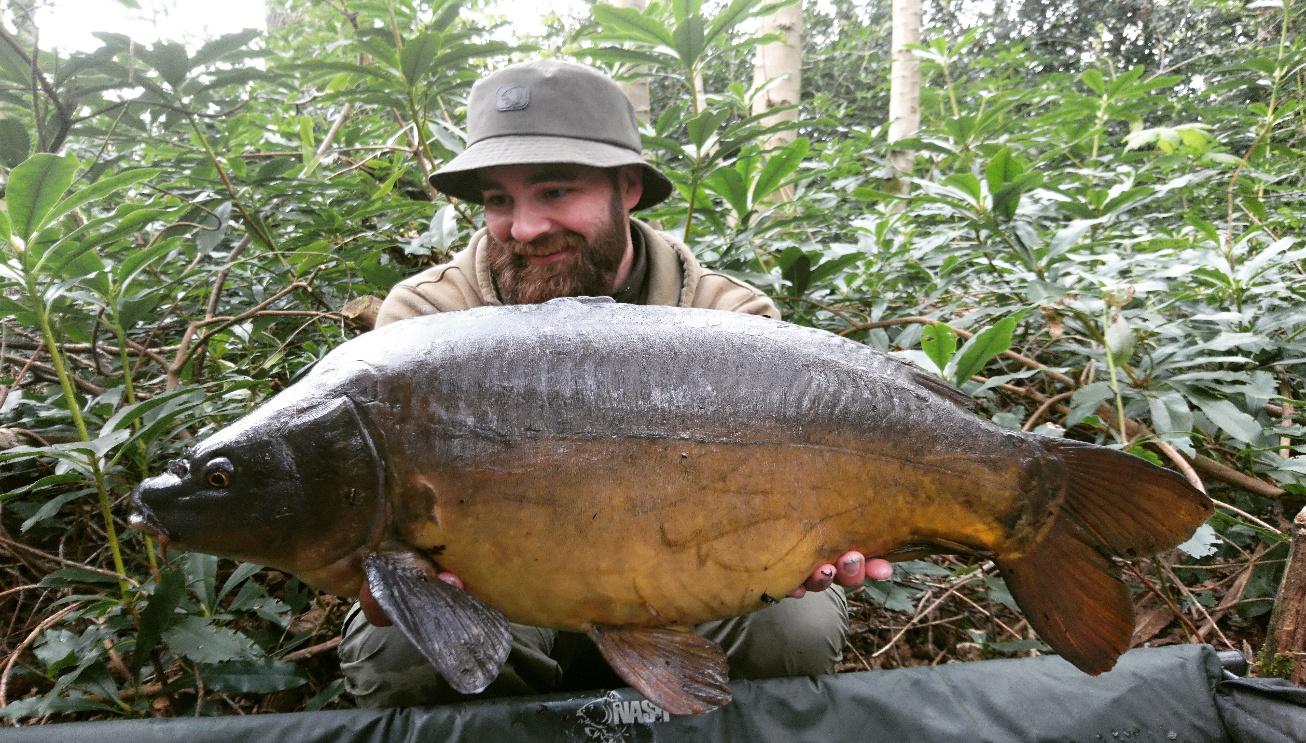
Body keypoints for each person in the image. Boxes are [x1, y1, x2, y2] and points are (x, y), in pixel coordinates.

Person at [338, 59, 892, 708]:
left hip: (684, 578)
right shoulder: (423, 323)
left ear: (626, 188)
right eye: (498, 199)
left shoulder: (729, 317)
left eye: (554, 191)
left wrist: (815, 540)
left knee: (794, 620)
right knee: (402, 645)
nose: (524, 227)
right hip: (498, 593)